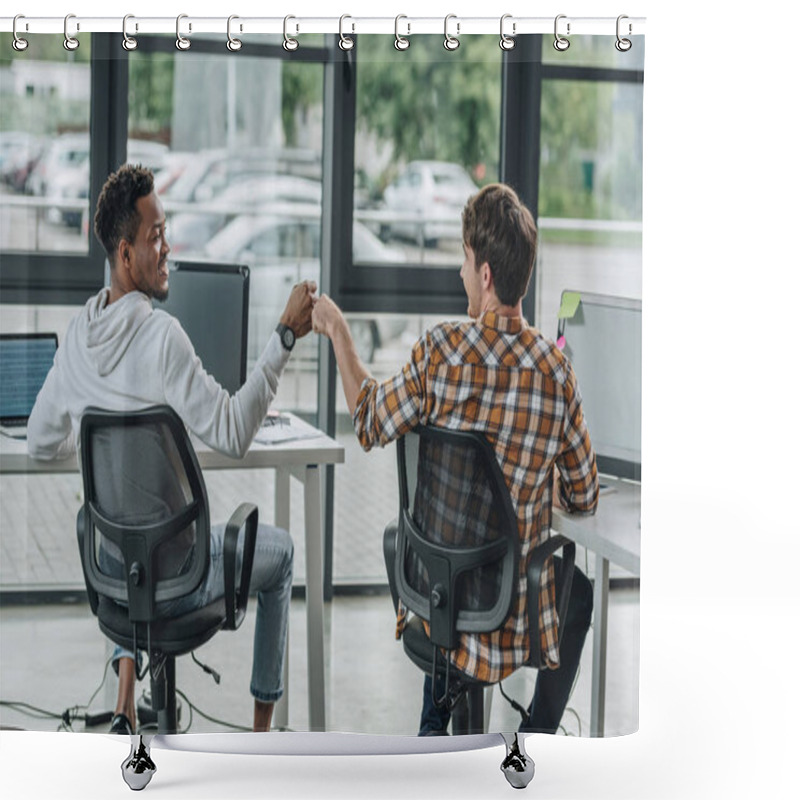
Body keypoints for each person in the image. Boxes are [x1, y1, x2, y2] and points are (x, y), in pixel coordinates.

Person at [27, 164, 317, 735]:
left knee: (122, 523)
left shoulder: (78, 336)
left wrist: (86, 429)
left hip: (114, 572)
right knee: (279, 556)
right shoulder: (163, 337)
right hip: (181, 578)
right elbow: (233, 433)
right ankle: (262, 737)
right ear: (123, 252)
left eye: (165, 231)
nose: (167, 247)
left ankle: (124, 704)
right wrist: (283, 337)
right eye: (154, 236)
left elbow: (40, 442)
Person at [311, 183, 599, 735]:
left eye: (465, 262)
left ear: (486, 275)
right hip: (511, 617)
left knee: (414, 538)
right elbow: (584, 495)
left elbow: (369, 421)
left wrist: (337, 329)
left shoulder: (438, 350)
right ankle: (537, 737)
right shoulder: (555, 373)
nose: (459, 275)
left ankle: (435, 724)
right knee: (577, 589)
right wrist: (539, 487)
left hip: (437, 598)